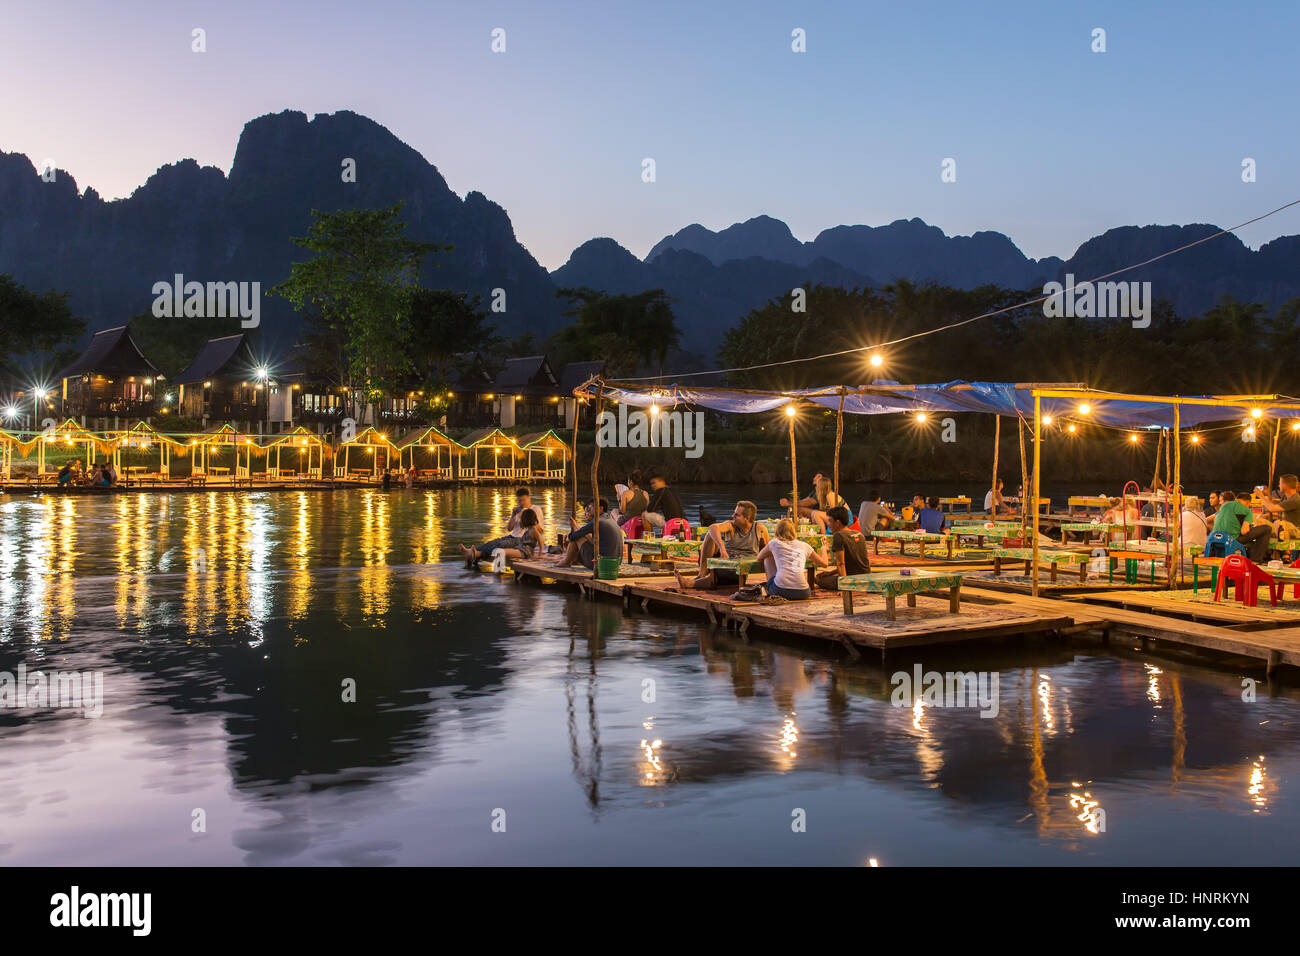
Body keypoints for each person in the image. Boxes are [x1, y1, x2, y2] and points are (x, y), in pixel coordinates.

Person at [674, 500, 769, 591]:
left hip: (740, 567)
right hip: (725, 561)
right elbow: (713, 527)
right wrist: (722, 548)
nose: (733, 516)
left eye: (737, 515)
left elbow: (769, 550)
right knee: (710, 535)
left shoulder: (759, 529)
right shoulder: (731, 526)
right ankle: (701, 575)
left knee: (715, 577)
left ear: (746, 518)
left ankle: (691, 583)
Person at [754, 518, 828, 601]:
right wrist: (823, 548)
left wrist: (774, 553)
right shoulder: (804, 545)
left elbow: (759, 557)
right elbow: (824, 564)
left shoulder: (775, 543)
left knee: (767, 557)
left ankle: (770, 585)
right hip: (803, 592)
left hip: (780, 590)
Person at [458, 508, 544, 564]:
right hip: (519, 546)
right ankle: (472, 552)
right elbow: (510, 528)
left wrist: (539, 555)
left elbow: (541, 542)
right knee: (494, 544)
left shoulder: (534, 527)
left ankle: (497, 571)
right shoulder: (527, 526)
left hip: (524, 550)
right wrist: (514, 514)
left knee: (500, 549)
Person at [815, 506, 871, 590]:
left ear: (837, 523)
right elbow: (851, 563)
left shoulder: (839, 536)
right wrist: (830, 573)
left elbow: (841, 564)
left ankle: (846, 586)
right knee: (827, 575)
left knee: (818, 578)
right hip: (867, 578)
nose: (828, 524)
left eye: (830, 521)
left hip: (852, 580)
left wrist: (844, 587)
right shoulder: (859, 534)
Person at [560, 499, 624, 570]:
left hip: (602, 564)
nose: (589, 511)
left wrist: (574, 528)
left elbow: (572, 537)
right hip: (615, 564)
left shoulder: (598, 521)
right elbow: (594, 542)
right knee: (580, 536)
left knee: (577, 538)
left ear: (600, 508)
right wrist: (576, 528)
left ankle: (566, 562)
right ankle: (571, 560)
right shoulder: (610, 519)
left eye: (590, 508)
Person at [1211, 490, 1271, 562]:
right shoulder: (1248, 511)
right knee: (1267, 529)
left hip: (1214, 539)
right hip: (1231, 539)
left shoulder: (1224, 506)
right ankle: (1256, 559)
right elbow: (1243, 531)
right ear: (1248, 503)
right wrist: (1250, 528)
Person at [1257, 474, 1300, 542]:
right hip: (1283, 529)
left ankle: (1282, 551)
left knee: (1279, 523)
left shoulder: (1295, 499)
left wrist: (1261, 496)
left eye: (1280, 483)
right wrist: (1265, 516)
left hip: (1295, 530)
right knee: (1260, 521)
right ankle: (1265, 549)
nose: (1278, 485)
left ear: (1285, 485)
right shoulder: (1285, 498)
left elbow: (1272, 508)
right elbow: (1275, 509)